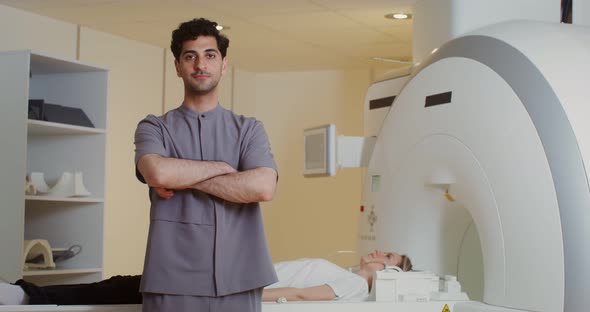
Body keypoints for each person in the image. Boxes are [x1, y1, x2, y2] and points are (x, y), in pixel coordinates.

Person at [133, 17, 278, 312]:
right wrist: (227, 169)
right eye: (190, 56)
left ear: (223, 65)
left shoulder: (249, 129)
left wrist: (182, 175)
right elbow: (157, 172)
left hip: (241, 277)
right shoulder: (154, 127)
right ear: (177, 66)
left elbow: (263, 187)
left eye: (210, 56)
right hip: (171, 280)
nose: (201, 65)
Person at [0, 250, 412, 305]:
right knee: (127, 285)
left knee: (127, 287)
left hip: (228, 291)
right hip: (227, 280)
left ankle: (23, 296)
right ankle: (25, 295)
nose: (378, 253)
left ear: (391, 273)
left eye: (387, 257)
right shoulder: (348, 273)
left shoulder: (357, 285)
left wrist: (235, 296)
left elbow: (301, 295)